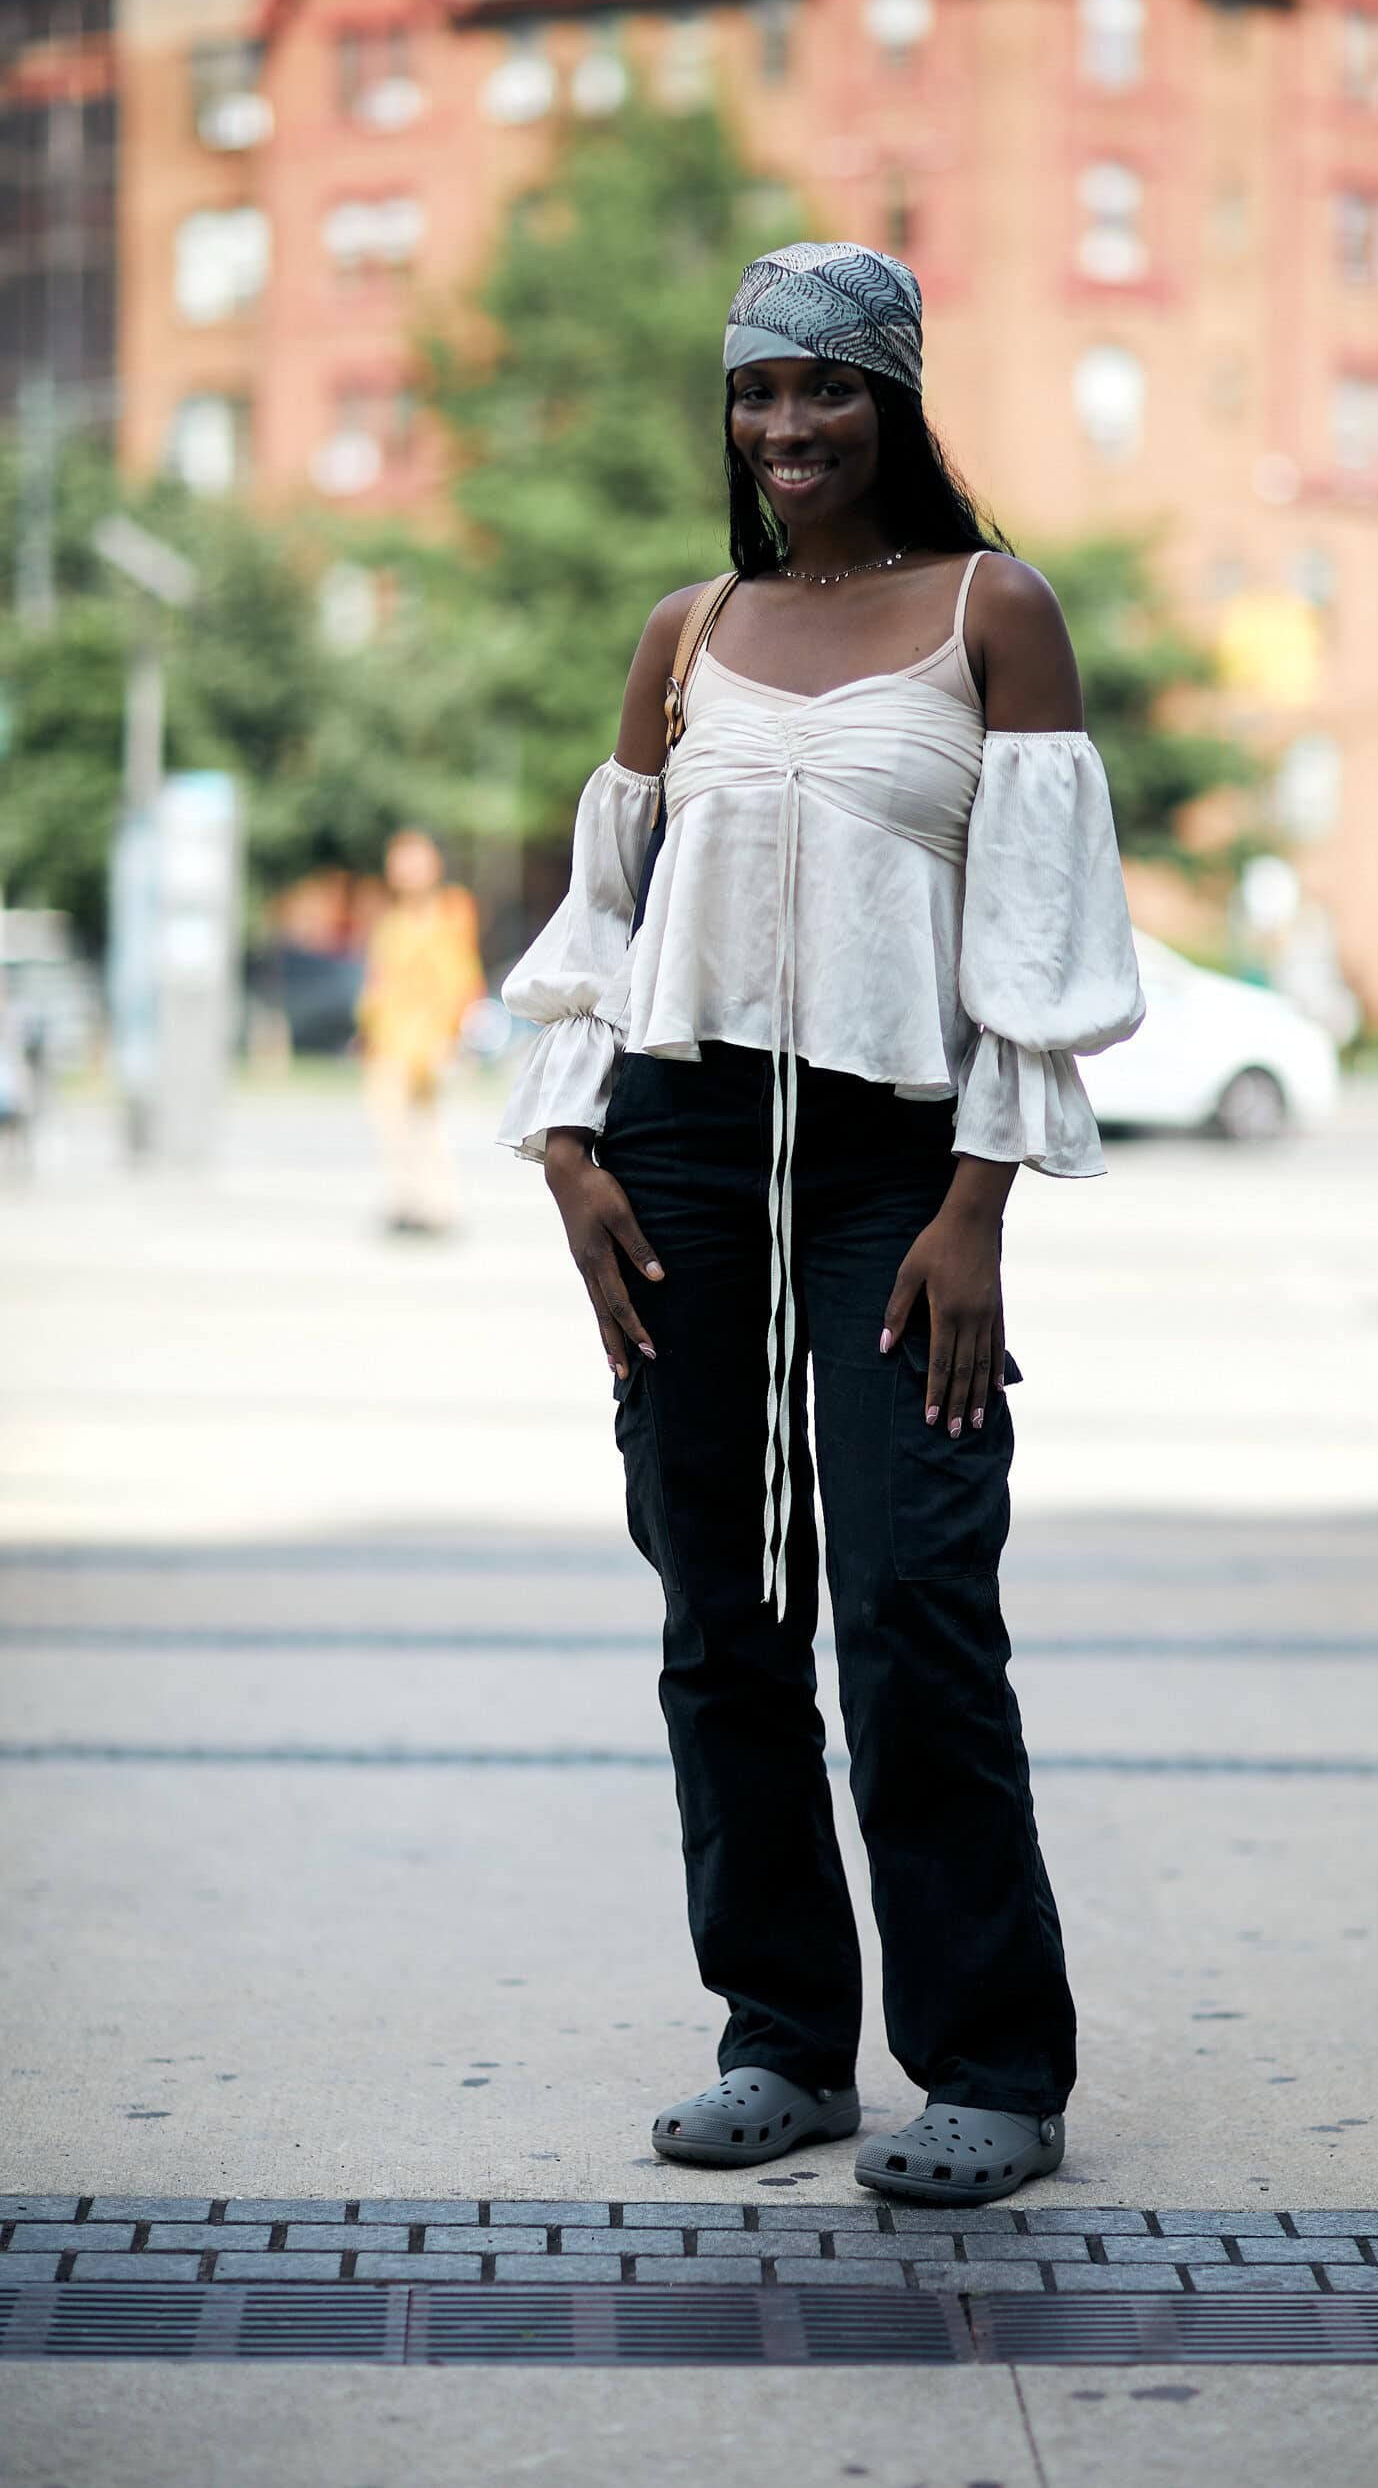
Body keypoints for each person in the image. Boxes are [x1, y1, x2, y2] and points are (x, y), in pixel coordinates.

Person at [498, 242, 1144, 2205]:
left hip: (897, 1166)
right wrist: (569, 1150)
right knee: (720, 1608)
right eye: (756, 391)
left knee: (913, 1603)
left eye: (827, 387)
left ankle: (991, 2064)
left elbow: (1034, 934)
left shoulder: (990, 610)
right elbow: (603, 916)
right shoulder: (686, 629)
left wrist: (977, 1205)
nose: (788, 424)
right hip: (678, 1148)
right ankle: (779, 2035)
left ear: (894, 400)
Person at [357, 831, 484, 1236]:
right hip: (391, 1039)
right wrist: (369, 1031)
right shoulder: (391, 921)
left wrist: (455, 1033)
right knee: (391, 1124)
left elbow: (462, 977)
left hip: (433, 1038)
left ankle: (438, 1206)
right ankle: (405, 1202)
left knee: (431, 1124)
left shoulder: (452, 910)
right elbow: (378, 982)